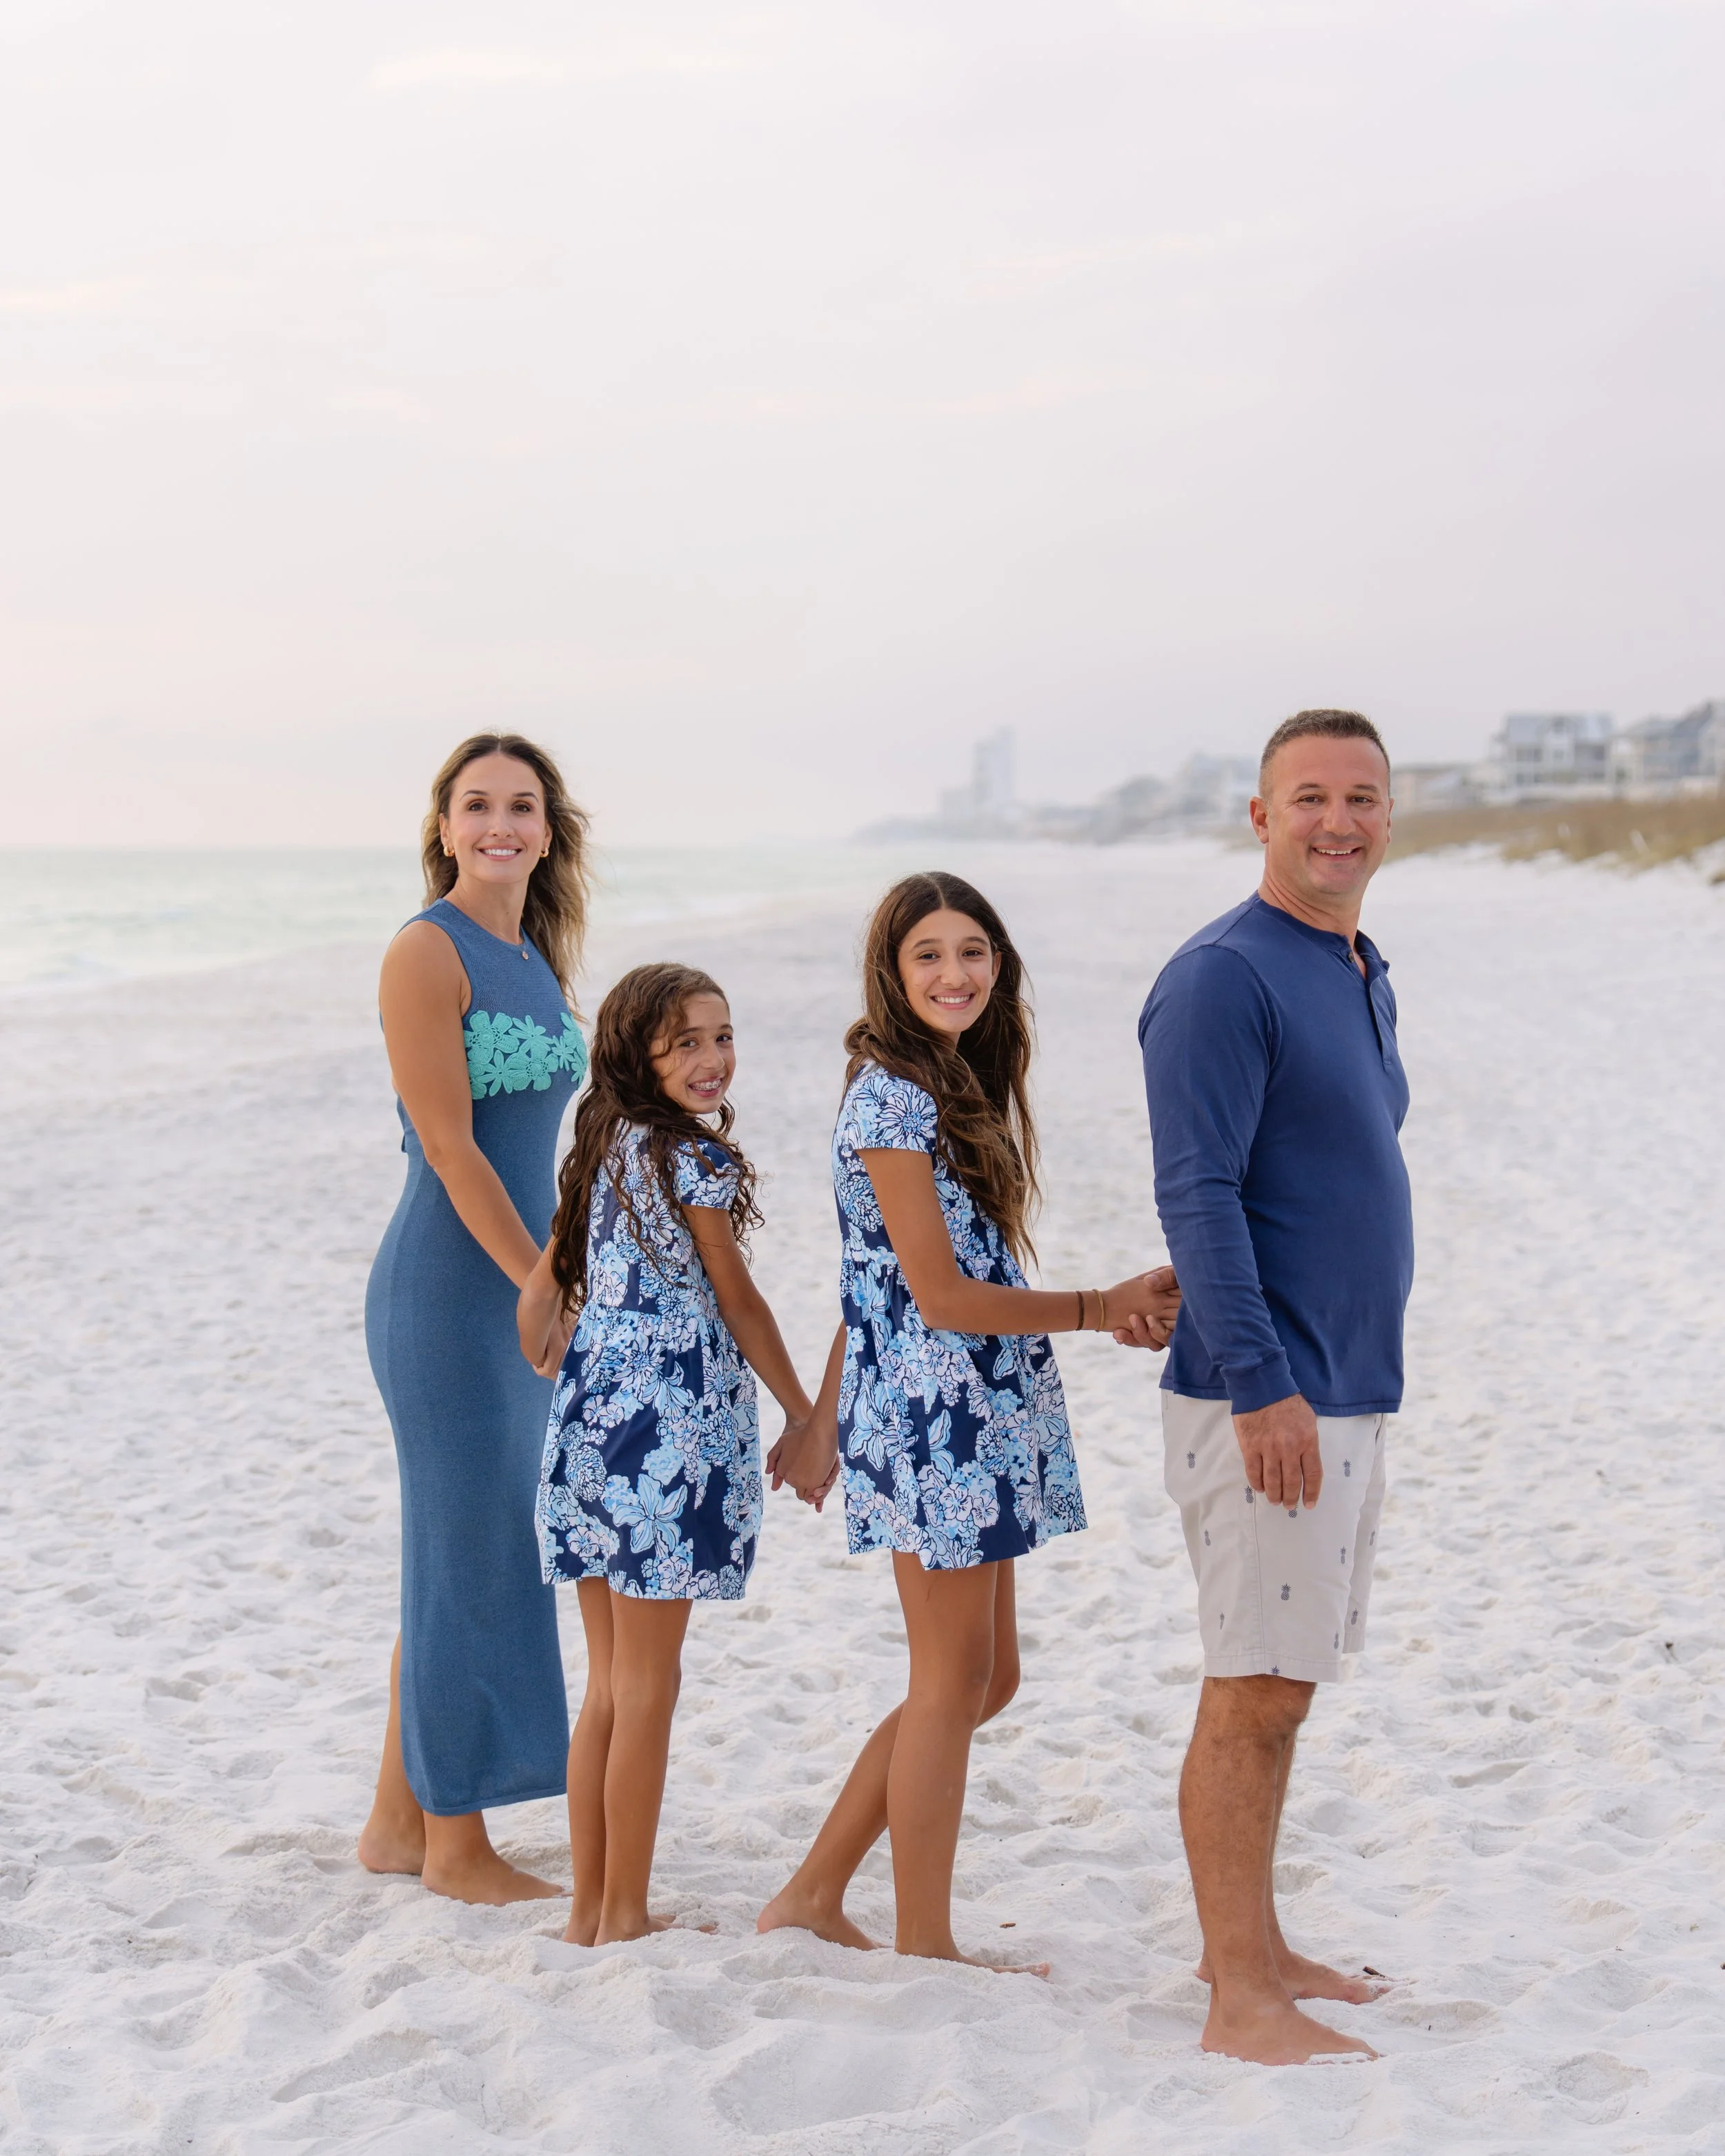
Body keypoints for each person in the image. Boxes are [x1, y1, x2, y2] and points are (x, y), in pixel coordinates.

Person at [762, 872, 1182, 1970]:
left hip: (973, 1399)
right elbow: (934, 1298)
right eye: (929, 957)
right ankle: (924, 1942)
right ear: (892, 975)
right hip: (934, 1412)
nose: (955, 974)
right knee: (950, 1683)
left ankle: (811, 1893)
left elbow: (879, 1288)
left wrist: (821, 1412)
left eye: (974, 952)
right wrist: (1099, 1308)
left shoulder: (951, 1082)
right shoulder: (891, 1096)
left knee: (986, 1680)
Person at [1128, 709, 1409, 2062]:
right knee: (1250, 1683)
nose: (1336, 821)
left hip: (1344, 1382)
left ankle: (1249, 1944)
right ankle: (1238, 1995)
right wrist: (1259, 1382)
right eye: (1308, 796)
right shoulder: (1219, 977)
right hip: (1268, 1394)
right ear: (1258, 815)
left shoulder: (1356, 966)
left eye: (1360, 796)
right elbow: (1195, 1187)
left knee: (1284, 1678)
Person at [519, 964, 821, 1945]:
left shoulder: (603, 1142)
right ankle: (623, 1913)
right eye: (684, 1041)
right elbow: (739, 1303)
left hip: (592, 1425)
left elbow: (555, 1289)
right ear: (636, 1052)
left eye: (722, 1036)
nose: (711, 1059)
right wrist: (804, 1410)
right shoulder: (691, 1160)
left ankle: (589, 1912)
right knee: (648, 1683)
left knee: (609, 1681)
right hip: (668, 1434)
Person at [357, 733, 590, 1903]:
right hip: (450, 1297)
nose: (502, 824)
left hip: (523, 1282)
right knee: (467, 1553)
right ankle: (457, 1848)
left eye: (523, 806)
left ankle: (399, 1825)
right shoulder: (424, 952)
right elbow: (449, 1147)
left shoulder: (535, 959)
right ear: (444, 827)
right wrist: (536, 1281)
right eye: (478, 805)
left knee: (469, 1551)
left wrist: (571, 1264)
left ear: (550, 831)